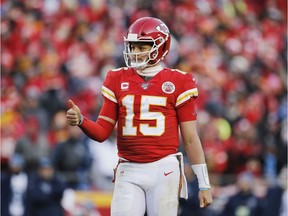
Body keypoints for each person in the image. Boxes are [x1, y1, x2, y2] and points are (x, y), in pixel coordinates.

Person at [67, 16, 213, 216]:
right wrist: (82, 121)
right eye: (133, 46)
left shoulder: (179, 81)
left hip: (164, 168)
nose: (135, 52)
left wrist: (203, 183)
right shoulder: (116, 78)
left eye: (142, 47)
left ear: (161, 47)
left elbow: (189, 137)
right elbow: (102, 132)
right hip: (129, 168)